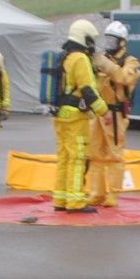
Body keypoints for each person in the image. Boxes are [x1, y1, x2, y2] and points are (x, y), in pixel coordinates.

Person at [53, 20, 108, 213]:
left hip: (60, 114)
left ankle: (60, 200)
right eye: (91, 40)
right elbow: (88, 89)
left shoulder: (64, 57)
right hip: (76, 117)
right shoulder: (81, 59)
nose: (93, 44)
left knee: (64, 158)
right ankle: (76, 202)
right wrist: (103, 111)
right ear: (84, 38)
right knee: (77, 159)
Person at [88, 21, 140, 207]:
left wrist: (106, 66)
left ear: (122, 42)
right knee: (94, 152)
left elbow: (124, 78)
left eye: (113, 40)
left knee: (114, 154)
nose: (109, 44)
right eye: (107, 39)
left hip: (115, 113)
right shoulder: (102, 59)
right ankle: (96, 193)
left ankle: (113, 193)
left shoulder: (130, 61)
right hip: (99, 112)